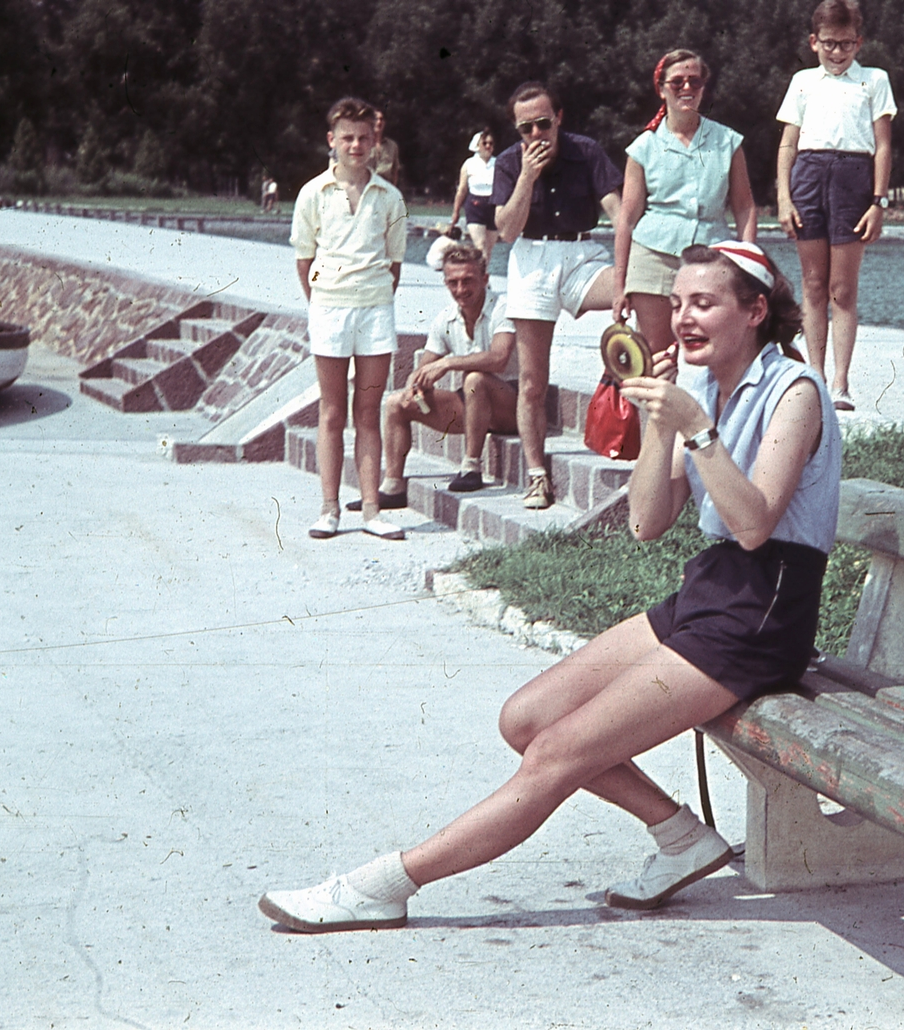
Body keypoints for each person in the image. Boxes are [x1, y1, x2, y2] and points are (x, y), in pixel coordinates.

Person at [258, 239, 840, 932]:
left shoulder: (794, 392)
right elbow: (647, 524)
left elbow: (752, 525)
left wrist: (696, 428)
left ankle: (384, 884)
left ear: (754, 311)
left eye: (704, 304)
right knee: (526, 719)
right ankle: (681, 836)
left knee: (558, 754)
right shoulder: (706, 384)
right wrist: (660, 427)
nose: (683, 318)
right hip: (712, 588)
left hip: (764, 610)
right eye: (678, 302)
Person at [491, 81, 624, 510]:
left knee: (641, 289)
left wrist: (629, 270)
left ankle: (628, 378)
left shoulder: (586, 151)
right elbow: (506, 230)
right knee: (532, 381)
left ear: (559, 118)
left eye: (543, 124)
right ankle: (536, 476)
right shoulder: (509, 163)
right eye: (525, 128)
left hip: (582, 254)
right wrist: (527, 176)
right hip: (532, 258)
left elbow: (619, 213)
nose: (536, 135)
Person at [289, 96, 408, 541]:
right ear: (332, 140)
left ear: (375, 141)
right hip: (329, 310)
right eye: (347, 138)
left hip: (375, 313)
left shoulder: (390, 197)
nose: (355, 145)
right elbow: (304, 261)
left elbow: (394, 266)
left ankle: (372, 510)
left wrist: (369, 299)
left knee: (369, 411)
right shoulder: (312, 193)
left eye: (363, 138)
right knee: (332, 411)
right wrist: (325, 301)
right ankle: (329, 509)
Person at [775, 0, 894, 412]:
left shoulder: (874, 80)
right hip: (808, 175)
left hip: (853, 178)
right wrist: (784, 197)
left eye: (845, 44)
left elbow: (883, 146)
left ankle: (841, 383)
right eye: (828, 43)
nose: (837, 52)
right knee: (812, 284)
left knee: (842, 289)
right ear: (814, 42)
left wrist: (878, 201)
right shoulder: (803, 81)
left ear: (858, 42)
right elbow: (788, 144)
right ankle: (816, 378)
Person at [348, 243, 518, 509]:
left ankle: (471, 466)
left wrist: (448, 363)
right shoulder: (446, 319)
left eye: (468, 280)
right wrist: (415, 386)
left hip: (511, 406)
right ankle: (393, 486)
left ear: (485, 279)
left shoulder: (503, 308)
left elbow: (499, 358)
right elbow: (423, 368)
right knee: (396, 403)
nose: (460, 289)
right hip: (473, 407)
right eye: (453, 282)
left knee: (475, 379)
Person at [613, 49, 756, 356]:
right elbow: (627, 219)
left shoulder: (728, 142)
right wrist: (619, 286)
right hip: (653, 257)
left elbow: (745, 208)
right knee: (657, 355)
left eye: (695, 81)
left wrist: (749, 265)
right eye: (677, 82)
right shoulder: (643, 147)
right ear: (661, 89)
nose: (687, 88)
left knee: (716, 352)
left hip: (712, 258)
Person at [448, 131, 499, 265]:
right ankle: (480, 274)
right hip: (475, 205)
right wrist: (456, 211)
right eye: (484, 143)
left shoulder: (498, 163)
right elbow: (462, 189)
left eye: (491, 143)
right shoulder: (469, 164)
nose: (488, 146)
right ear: (477, 145)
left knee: (488, 248)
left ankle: (484, 274)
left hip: (493, 206)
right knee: (480, 245)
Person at [371, 110, 401, 188]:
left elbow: (395, 171)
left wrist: (392, 189)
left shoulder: (392, 145)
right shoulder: (363, 144)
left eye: (381, 119)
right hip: (367, 187)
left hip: (386, 187)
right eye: (376, 119)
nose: (379, 122)